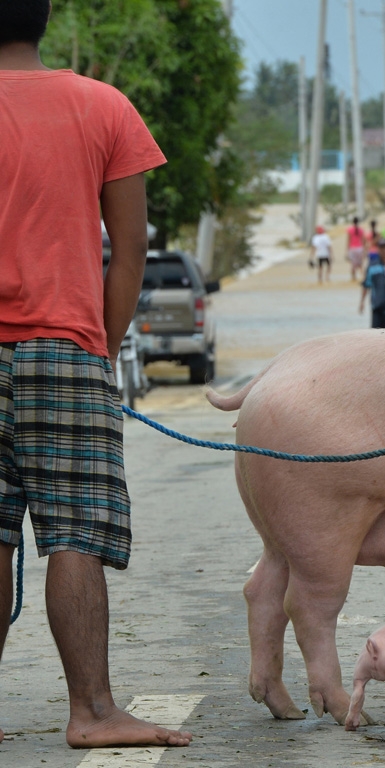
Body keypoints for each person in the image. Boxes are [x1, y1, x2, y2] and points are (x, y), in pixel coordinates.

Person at [0, 1, 192, 748]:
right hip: (65, 345)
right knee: (73, 531)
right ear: (43, 19)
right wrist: (99, 349)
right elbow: (131, 252)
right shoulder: (102, 106)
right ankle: (93, 712)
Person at [345, 216, 368, 282]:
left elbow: (348, 240)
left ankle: (353, 277)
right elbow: (364, 240)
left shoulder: (350, 229)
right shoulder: (361, 230)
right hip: (359, 248)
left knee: (353, 264)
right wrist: (364, 248)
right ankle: (363, 277)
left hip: (352, 248)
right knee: (360, 264)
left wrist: (347, 250)